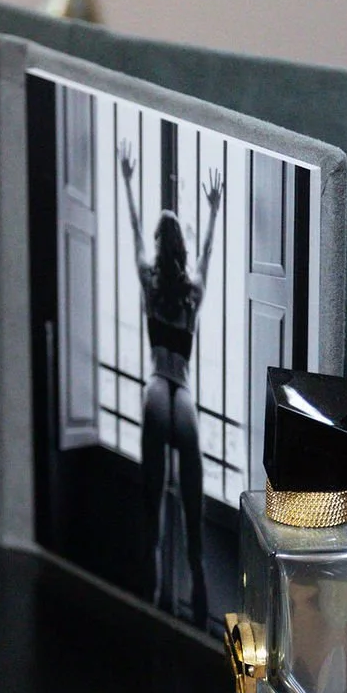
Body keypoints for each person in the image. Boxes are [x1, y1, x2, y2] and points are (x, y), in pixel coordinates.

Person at [119, 145, 221, 627]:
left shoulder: (150, 281)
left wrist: (127, 182)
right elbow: (206, 255)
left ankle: (152, 603)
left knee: (152, 508)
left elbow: (136, 234)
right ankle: (199, 602)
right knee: (192, 515)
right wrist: (215, 209)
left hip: (155, 388)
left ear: (162, 247)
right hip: (184, 396)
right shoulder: (192, 291)